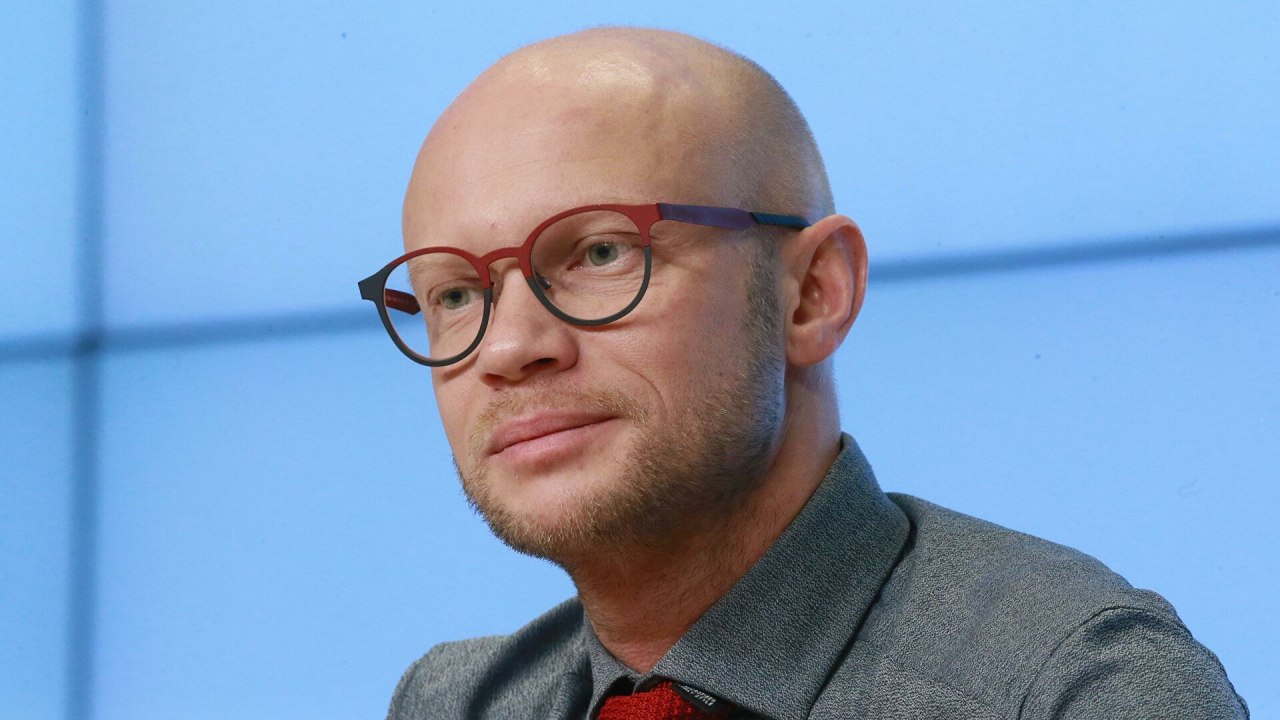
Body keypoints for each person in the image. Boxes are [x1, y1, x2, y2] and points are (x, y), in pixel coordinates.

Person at [359, 27, 1248, 720]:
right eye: (455, 294)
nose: (508, 348)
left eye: (600, 252)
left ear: (813, 293)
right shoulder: (457, 702)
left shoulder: (1070, 687)